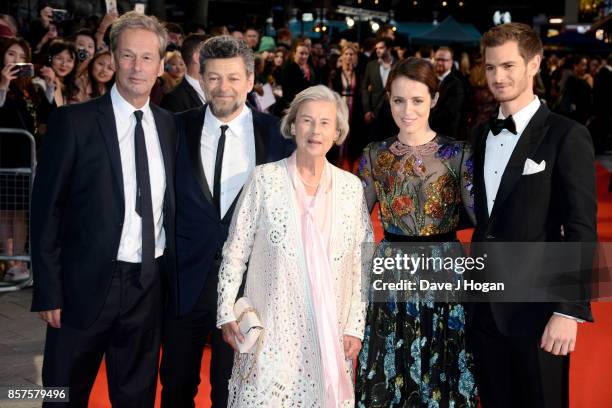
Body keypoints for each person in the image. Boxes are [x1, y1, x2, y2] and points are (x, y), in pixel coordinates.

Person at [30, 12, 176, 407]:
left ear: (161, 65)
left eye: (147, 58)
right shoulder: (73, 122)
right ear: (111, 58)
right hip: (82, 286)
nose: (136, 67)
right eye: (127, 56)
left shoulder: (169, 126)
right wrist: (48, 289)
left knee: (137, 395)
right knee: (63, 394)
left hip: (148, 283)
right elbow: (46, 211)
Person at [217, 84, 372, 407]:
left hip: (328, 335)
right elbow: (235, 252)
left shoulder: (351, 188)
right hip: (272, 333)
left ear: (337, 131)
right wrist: (225, 310)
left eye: (325, 122)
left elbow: (361, 264)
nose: (315, 130)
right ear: (292, 125)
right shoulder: (265, 180)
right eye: (307, 120)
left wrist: (355, 326)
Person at [160, 35, 292, 408]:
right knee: (175, 386)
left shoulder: (277, 136)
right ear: (200, 79)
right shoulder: (174, 128)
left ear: (250, 81)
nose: (223, 87)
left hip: (247, 290)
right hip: (185, 283)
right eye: (214, 78)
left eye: (233, 78)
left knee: (232, 391)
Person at [469, 23, 596, 408]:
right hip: (484, 309)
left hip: (538, 313)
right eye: (491, 67)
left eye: (508, 65)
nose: (498, 77)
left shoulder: (565, 135)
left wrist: (568, 309)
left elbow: (580, 228)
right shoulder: (479, 134)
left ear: (534, 64)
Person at [355, 57, 477, 407]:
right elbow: (355, 221)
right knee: (390, 365)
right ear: (389, 99)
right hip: (391, 269)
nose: (407, 110)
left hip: (444, 270)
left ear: (434, 100)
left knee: (443, 363)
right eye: (398, 100)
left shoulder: (458, 153)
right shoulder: (374, 155)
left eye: (417, 100)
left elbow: (480, 217)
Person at [0, 37, 54, 282]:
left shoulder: (30, 87)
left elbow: (45, 116)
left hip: (27, 157)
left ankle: (20, 262)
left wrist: (51, 87)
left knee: (21, 212)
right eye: (11, 54)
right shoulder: (4, 85)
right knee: (4, 211)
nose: (15, 60)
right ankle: (9, 261)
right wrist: (3, 85)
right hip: (5, 157)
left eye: (21, 56)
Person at [329, 42, 364, 163]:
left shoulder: (358, 73)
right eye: (346, 54)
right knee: (338, 132)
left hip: (354, 107)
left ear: (355, 57)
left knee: (351, 134)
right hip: (339, 106)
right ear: (342, 56)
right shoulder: (335, 73)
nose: (349, 56)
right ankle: (336, 160)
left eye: (351, 54)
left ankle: (347, 161)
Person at [361, 37, 397, 142]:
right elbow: (364, 88)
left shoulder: (399, 64)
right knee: (374, 143)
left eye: (381, 48)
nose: (377, 50)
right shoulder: (371, 65)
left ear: (389, 49)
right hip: (374, 111)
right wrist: (367, 109)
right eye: (376, 48)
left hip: (393, 112)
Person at [160, 33, 208, 112]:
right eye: (213, 53)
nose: (218, 58)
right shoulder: (174, 99)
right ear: (197, 57)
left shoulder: (219, 89)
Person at [429, 46, 466, 140]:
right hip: (427, 134)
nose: (439, 62)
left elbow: (450, 112)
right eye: (437, 59)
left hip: (446, 136)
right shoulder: (429, 80)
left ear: (451, 62)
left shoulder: (457, 84)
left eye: (443, 60)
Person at [276, 38, 316, 115]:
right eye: (301, 53)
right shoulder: (289, 68)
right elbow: (288, 93)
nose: (304, 56)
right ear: (294, 53)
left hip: (305, 106)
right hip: (290, 108)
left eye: (306, 54)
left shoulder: (309, 67)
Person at [45, 39, 78, 106]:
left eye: (69, 60)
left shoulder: (68, 85)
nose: (64, 64)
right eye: (59, 58)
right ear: (50, 59)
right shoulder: (41, 81)